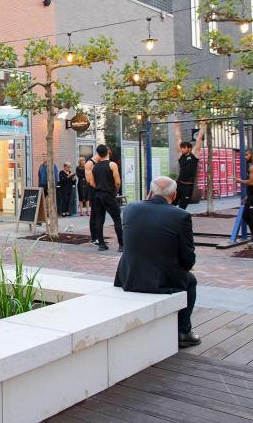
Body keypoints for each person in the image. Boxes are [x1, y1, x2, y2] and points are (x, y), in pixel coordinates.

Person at [114, 176, 200, 348]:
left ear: (150, 193)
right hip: (160, 281)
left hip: (128, 277)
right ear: (174, 195)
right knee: (190, 281)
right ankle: (183, 331)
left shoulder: (130, 208)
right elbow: (188, 258)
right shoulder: (181, 216)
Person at [90, 145, 123, 252]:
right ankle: (122, 245)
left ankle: (101, 245)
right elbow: (117, 182)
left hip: (98, 195)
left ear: (98, 154)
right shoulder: (112, 164)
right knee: (117, 219)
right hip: (108, 194)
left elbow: (91, 183)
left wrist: (99, 188)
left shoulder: (95, 167)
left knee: (99, 220)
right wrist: (114, 191)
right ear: (108, 152)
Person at [173, 124, 204, 210]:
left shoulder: (194, 154)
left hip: (188, 187)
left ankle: (179, 222)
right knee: (172, 205)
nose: (182, 149)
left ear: (189, 148)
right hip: (178, 184)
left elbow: (199, 138)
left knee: (182, 208)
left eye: (184, 148)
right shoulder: (180, 155)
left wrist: (203, 125)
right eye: (181, 148)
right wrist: (177, 126)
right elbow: (178, 138)